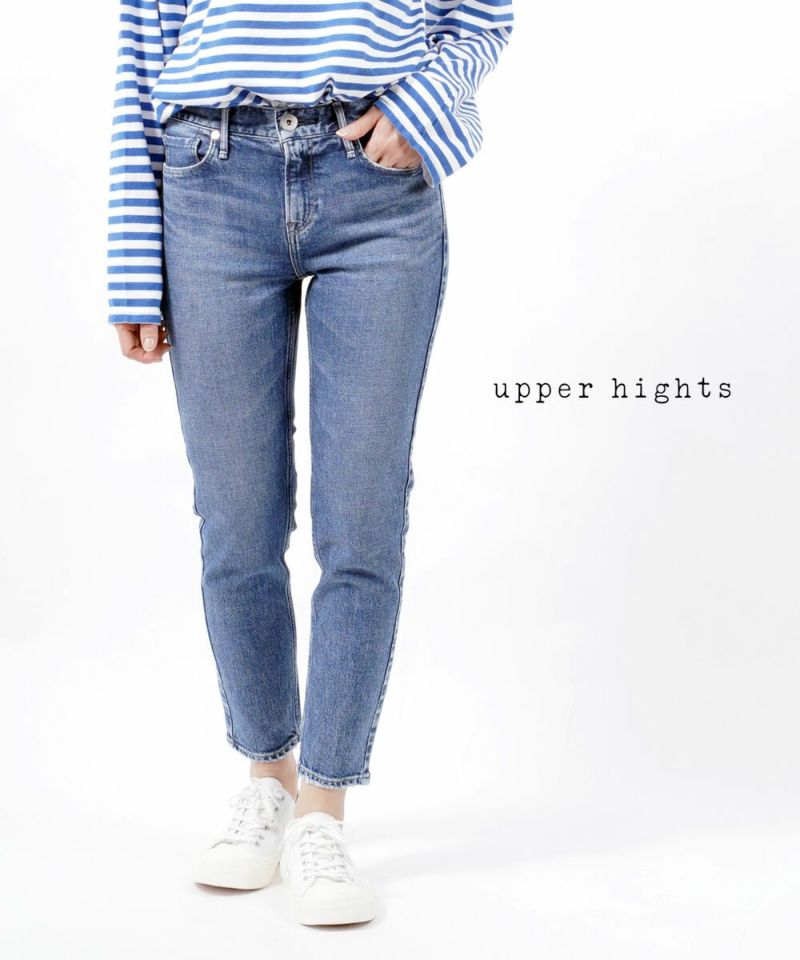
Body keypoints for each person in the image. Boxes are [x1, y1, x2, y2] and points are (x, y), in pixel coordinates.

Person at [107, 0, 514, 926]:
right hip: (210, 182)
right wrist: (132, 267)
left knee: (363, 517)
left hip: (374, 179)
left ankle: (323, 811)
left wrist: (423, 108)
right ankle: (269, 782)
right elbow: (140, 54)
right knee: (236, 519)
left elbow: (482, 18)